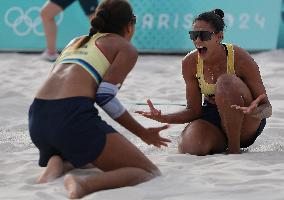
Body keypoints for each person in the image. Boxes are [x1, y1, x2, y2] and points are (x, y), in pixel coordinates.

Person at [29, 0, 171, 198]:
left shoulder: (75, 41)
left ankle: (58, 162)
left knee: (84, 150)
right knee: (149, 172)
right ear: (129, 26)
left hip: (37, 119)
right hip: (70, 118)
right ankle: (82, 184)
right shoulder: (124, 47)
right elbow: (105, 97)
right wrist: (142, 132)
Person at [136, 9, 272, 155]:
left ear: (219, 37)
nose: (197, 40)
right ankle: (220, 144)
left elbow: (267, 108)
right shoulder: (190, 63)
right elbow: (194, 111)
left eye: (204, 35)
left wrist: (256, 111)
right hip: (213, 119)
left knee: (225, 82)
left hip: (246, 121)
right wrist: (164, 118)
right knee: (191, 147)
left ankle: (234, 150)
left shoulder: (240, 58)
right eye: (193, 35)